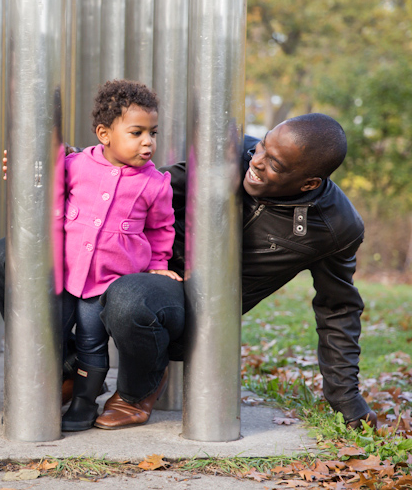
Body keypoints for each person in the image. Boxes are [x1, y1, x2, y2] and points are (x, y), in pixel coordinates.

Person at [99, 112, 376, 430]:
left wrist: (346, 399)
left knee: (129, 299)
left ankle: (136, 392)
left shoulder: (335, 226)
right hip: (152, 268)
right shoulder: (231, 154)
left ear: (309, 183)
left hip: (200, 314)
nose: (256, 162)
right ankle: (75, 373)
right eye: (262, 147)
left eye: (275, 165)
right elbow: (148, 190)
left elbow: (338, 308)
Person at [59, 80, 182, 432]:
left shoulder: (155, 183)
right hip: (68, 274)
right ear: (104, 133)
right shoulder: (77, 165)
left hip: (109, 284)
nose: (148, 142)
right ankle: (60, 386)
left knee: (91, 342)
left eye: (153, 132)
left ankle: (85, 402)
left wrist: (159, 265)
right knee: (55, 333)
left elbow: (161, 229)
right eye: (137, 132)